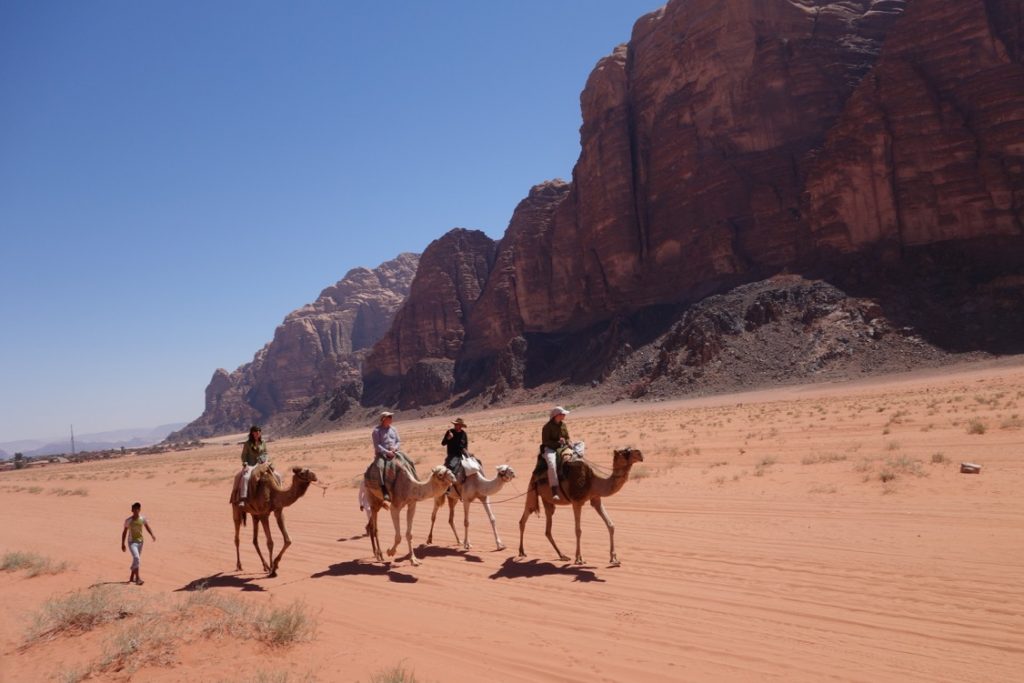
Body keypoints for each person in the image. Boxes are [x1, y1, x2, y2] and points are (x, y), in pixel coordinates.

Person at [120, 501, 156, 585]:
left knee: (136, 559)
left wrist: (152, 535)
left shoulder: (142, 519)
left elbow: (147, 527)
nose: (136, 511)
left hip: (140, 542)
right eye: (134, 509)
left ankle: (132, 577)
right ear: (132, 510)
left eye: (137, 509)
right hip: (131, 542)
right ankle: (138, 579)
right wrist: (122, 543)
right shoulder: (128, 520)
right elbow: (124, 532)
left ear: (139, 510)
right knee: (137, 558)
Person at [541, 406, 571, 501]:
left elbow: (567, 437)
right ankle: (554, 489)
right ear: (556, 415)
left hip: (563, 447)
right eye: (562, 414)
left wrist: (567, 441)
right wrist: (558, 442)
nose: (564, 416)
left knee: (581, 445)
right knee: (552, 464)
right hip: (550, 449)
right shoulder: (547, 427)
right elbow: (545, 442)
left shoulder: (563, 425)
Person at [371, 411, 401, 502]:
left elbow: (398, 441)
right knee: (380, 467)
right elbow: (377, 446)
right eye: (389, 417)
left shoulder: (394, 429)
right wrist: (387, 452)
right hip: (382, 454)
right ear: (383, 419)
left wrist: (395, 448)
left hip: (394, 452)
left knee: (409, 462)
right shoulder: (376, 431)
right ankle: (384, 490)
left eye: (391, 417)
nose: (391, 419)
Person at [238, 425, 268, 507]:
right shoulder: (247, 444)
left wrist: (264, 459)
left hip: (262, 464)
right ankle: (243, 499)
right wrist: (245, 465)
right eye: (255, 432)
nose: (257, 433)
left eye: (259, 432)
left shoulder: (263, 442)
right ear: (252, 433)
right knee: (245, 477)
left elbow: (265, 453)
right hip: (251, 465)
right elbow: (244, 456)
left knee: (276, 475)